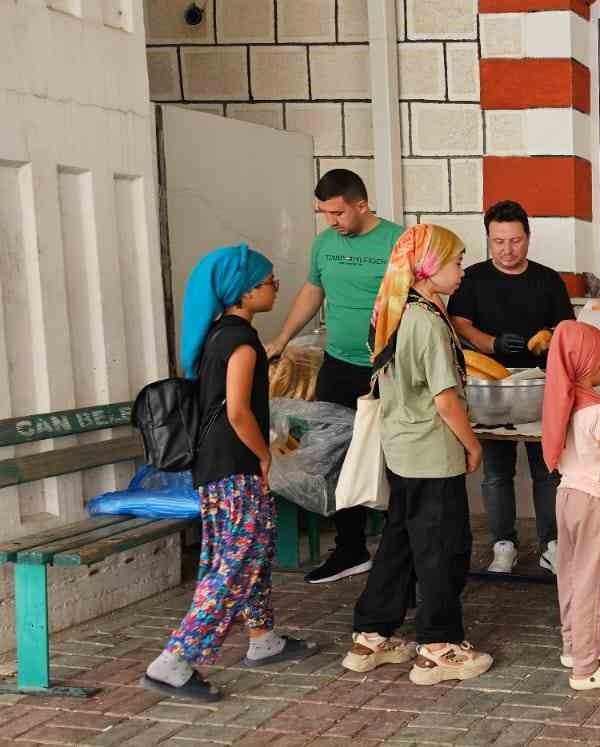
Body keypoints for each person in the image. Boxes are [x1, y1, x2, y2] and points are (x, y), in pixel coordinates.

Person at [142, 245, 317, 702]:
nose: (276, 286)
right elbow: (239, 412)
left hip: (216, 468)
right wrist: (263, 455)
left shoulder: (219, 334)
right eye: (269, 280)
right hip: (235, 465)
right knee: (236, 561)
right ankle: (174, 660)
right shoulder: (240, 342)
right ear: (244, 290)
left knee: (250, 551)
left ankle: (263, 639)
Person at [343, 224, 494, 685]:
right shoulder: (427, 320)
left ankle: (372, 634)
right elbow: (446, 400)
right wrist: (473, 443)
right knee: (442, 549)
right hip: (432, 453)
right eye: (456, 262)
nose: (462, 271)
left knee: (400, 544)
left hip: (403, 449)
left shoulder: (396, 311)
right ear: (429, 269)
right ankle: (438, 644)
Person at [266, 169, 406, 585]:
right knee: (335, 455)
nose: (331, 220)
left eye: (338, 212)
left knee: (394, 456)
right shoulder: (325, 243)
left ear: (361, 205)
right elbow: (313, 290)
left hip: (388, 367)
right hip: (339, 365)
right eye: (324, 212)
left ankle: (403, 551)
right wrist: (282, 338)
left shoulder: (399, 241)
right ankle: (350, 549)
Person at [449, 200, 574, 575]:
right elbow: (459, 323)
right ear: (488, 239)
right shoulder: (471, 278)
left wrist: (548, 338)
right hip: (489, 389)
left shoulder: (548, 279)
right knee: (496, 471)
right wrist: (492, 344)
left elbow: (566, 327)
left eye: (515, 241)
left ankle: (551, 543)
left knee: (547, 469)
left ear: (528, 238)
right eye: (498, 242)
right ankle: (503, 543)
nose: (507, 250)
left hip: (541, 387)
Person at [541, 321, 600, 690]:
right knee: (591, 583)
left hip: (566, 496)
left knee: (570, 576)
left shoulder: (563, 401)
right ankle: (586, 668)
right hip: (596, 500)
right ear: (587, 361)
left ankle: (574, 646)